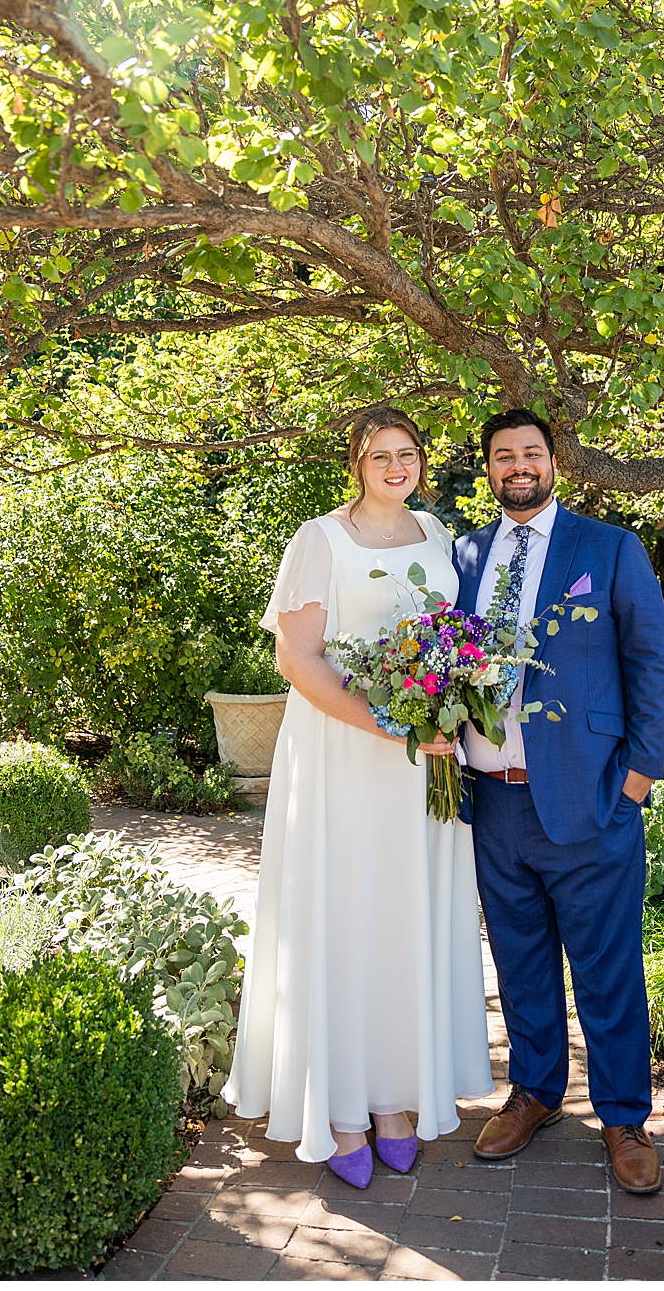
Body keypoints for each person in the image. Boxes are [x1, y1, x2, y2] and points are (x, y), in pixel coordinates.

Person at [223, 406, 493, 1187]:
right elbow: (298, 661)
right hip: (345, 753)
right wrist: (386, 722)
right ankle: (339, 1108)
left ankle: (394, 1099)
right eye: (381, 455)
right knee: (344, 917)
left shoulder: (438, 535)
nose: (396, 467)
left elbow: (458, 636)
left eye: (407, 453)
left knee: (404, 918)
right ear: (356, 462)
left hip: (423, 763)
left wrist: (448, 708)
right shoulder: (321, 539)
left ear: (422, 460)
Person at [455, 409, 664, 1193]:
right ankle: (537, 1092)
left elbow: (650, 662)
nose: (518, 466)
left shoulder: (608, 548)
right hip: (493, 800)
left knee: (608, 967)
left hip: (590, 798)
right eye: (502, 455)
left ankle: (623, 1115)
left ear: (555, 463)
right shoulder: (464, 554)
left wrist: (637, 779)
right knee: (518, 962)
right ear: (487, 468)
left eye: (531, 454)